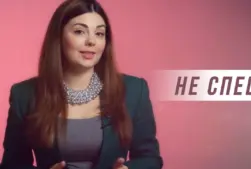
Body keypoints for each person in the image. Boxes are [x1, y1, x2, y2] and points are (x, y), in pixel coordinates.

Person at [0, 0, 163, 169]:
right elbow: (12, 164)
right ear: (58, 37)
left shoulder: (135, 90)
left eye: (99, 34)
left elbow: (150, 159)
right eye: (79, 31)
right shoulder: (24, 94)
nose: (91, 41)